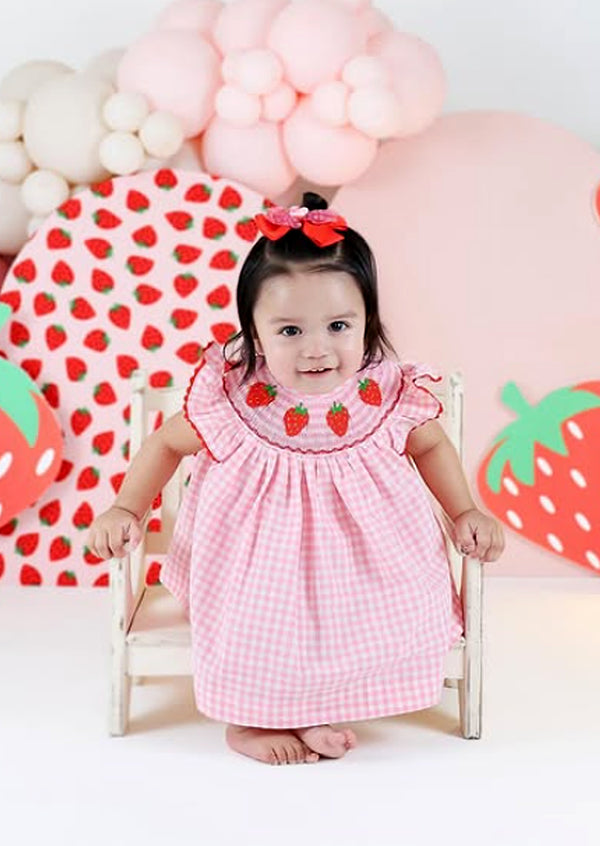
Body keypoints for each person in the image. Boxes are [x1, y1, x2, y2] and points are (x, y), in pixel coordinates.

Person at [88, 192, 505, 766]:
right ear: (254, 332)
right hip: (254, 560)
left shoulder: (382, 393)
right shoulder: (238, 397)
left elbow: (429, 442)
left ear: (367, 323)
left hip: (369, 561)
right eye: (288, 331)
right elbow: (166, 443)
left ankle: (317, 708)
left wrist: (465, 511)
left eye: (338, 325)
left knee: (409, 604)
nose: (316, 349)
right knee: (254, 622)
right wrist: (127, 508)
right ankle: (251, 722)